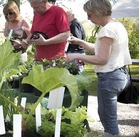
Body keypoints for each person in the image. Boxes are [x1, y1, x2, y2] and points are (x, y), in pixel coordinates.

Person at [65, 0, 131, 136]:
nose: (88, 18)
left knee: (107, 117)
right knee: (107, 114)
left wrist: (77, 56)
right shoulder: (117, 25)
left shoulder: (107, 30)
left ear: (98, 12)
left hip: (109, 77)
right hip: (120, 74)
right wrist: (79, 42)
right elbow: (100, 50)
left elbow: (102, 59)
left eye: (89, 14)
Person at [66, 8, 86, 73]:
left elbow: (77, 39)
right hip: (76, 52)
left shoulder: (74, 24)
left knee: (75, 73)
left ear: (73, 15)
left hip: (76, 52)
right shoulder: (73, 24)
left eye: (67, 16)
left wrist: (68, 37)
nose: (66, 18)